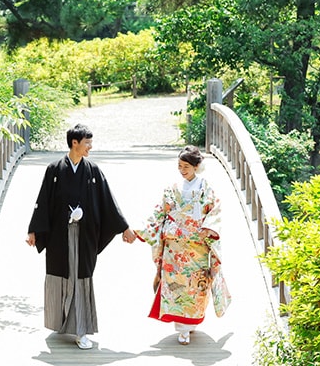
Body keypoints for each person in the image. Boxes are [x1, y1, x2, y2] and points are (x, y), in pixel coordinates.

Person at [27, 124, 135, 350]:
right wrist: (33, 230)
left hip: (84, 235)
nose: (90, 147)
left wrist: (124, 227)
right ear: (74, 143)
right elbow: (43, 201)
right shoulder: (54, 169)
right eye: (87, 143)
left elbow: (108, 200)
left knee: (80, 278)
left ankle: (80, 329)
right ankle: (62, 322)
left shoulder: (92, 171)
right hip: (59, 234)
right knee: (61, 276)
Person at [136, 145, 231, 345]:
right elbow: (160, 211)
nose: (182, 170)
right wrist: (144, 230)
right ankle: (182, 328)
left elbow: (215, 212)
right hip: (175, 248)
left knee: (196, 287)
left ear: (196, 166)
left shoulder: (207, 189)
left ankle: (192, 322)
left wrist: (209, 229)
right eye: (179, 166)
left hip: (196, 247)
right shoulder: (172, 188)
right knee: (176, 287)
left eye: (186, 166)